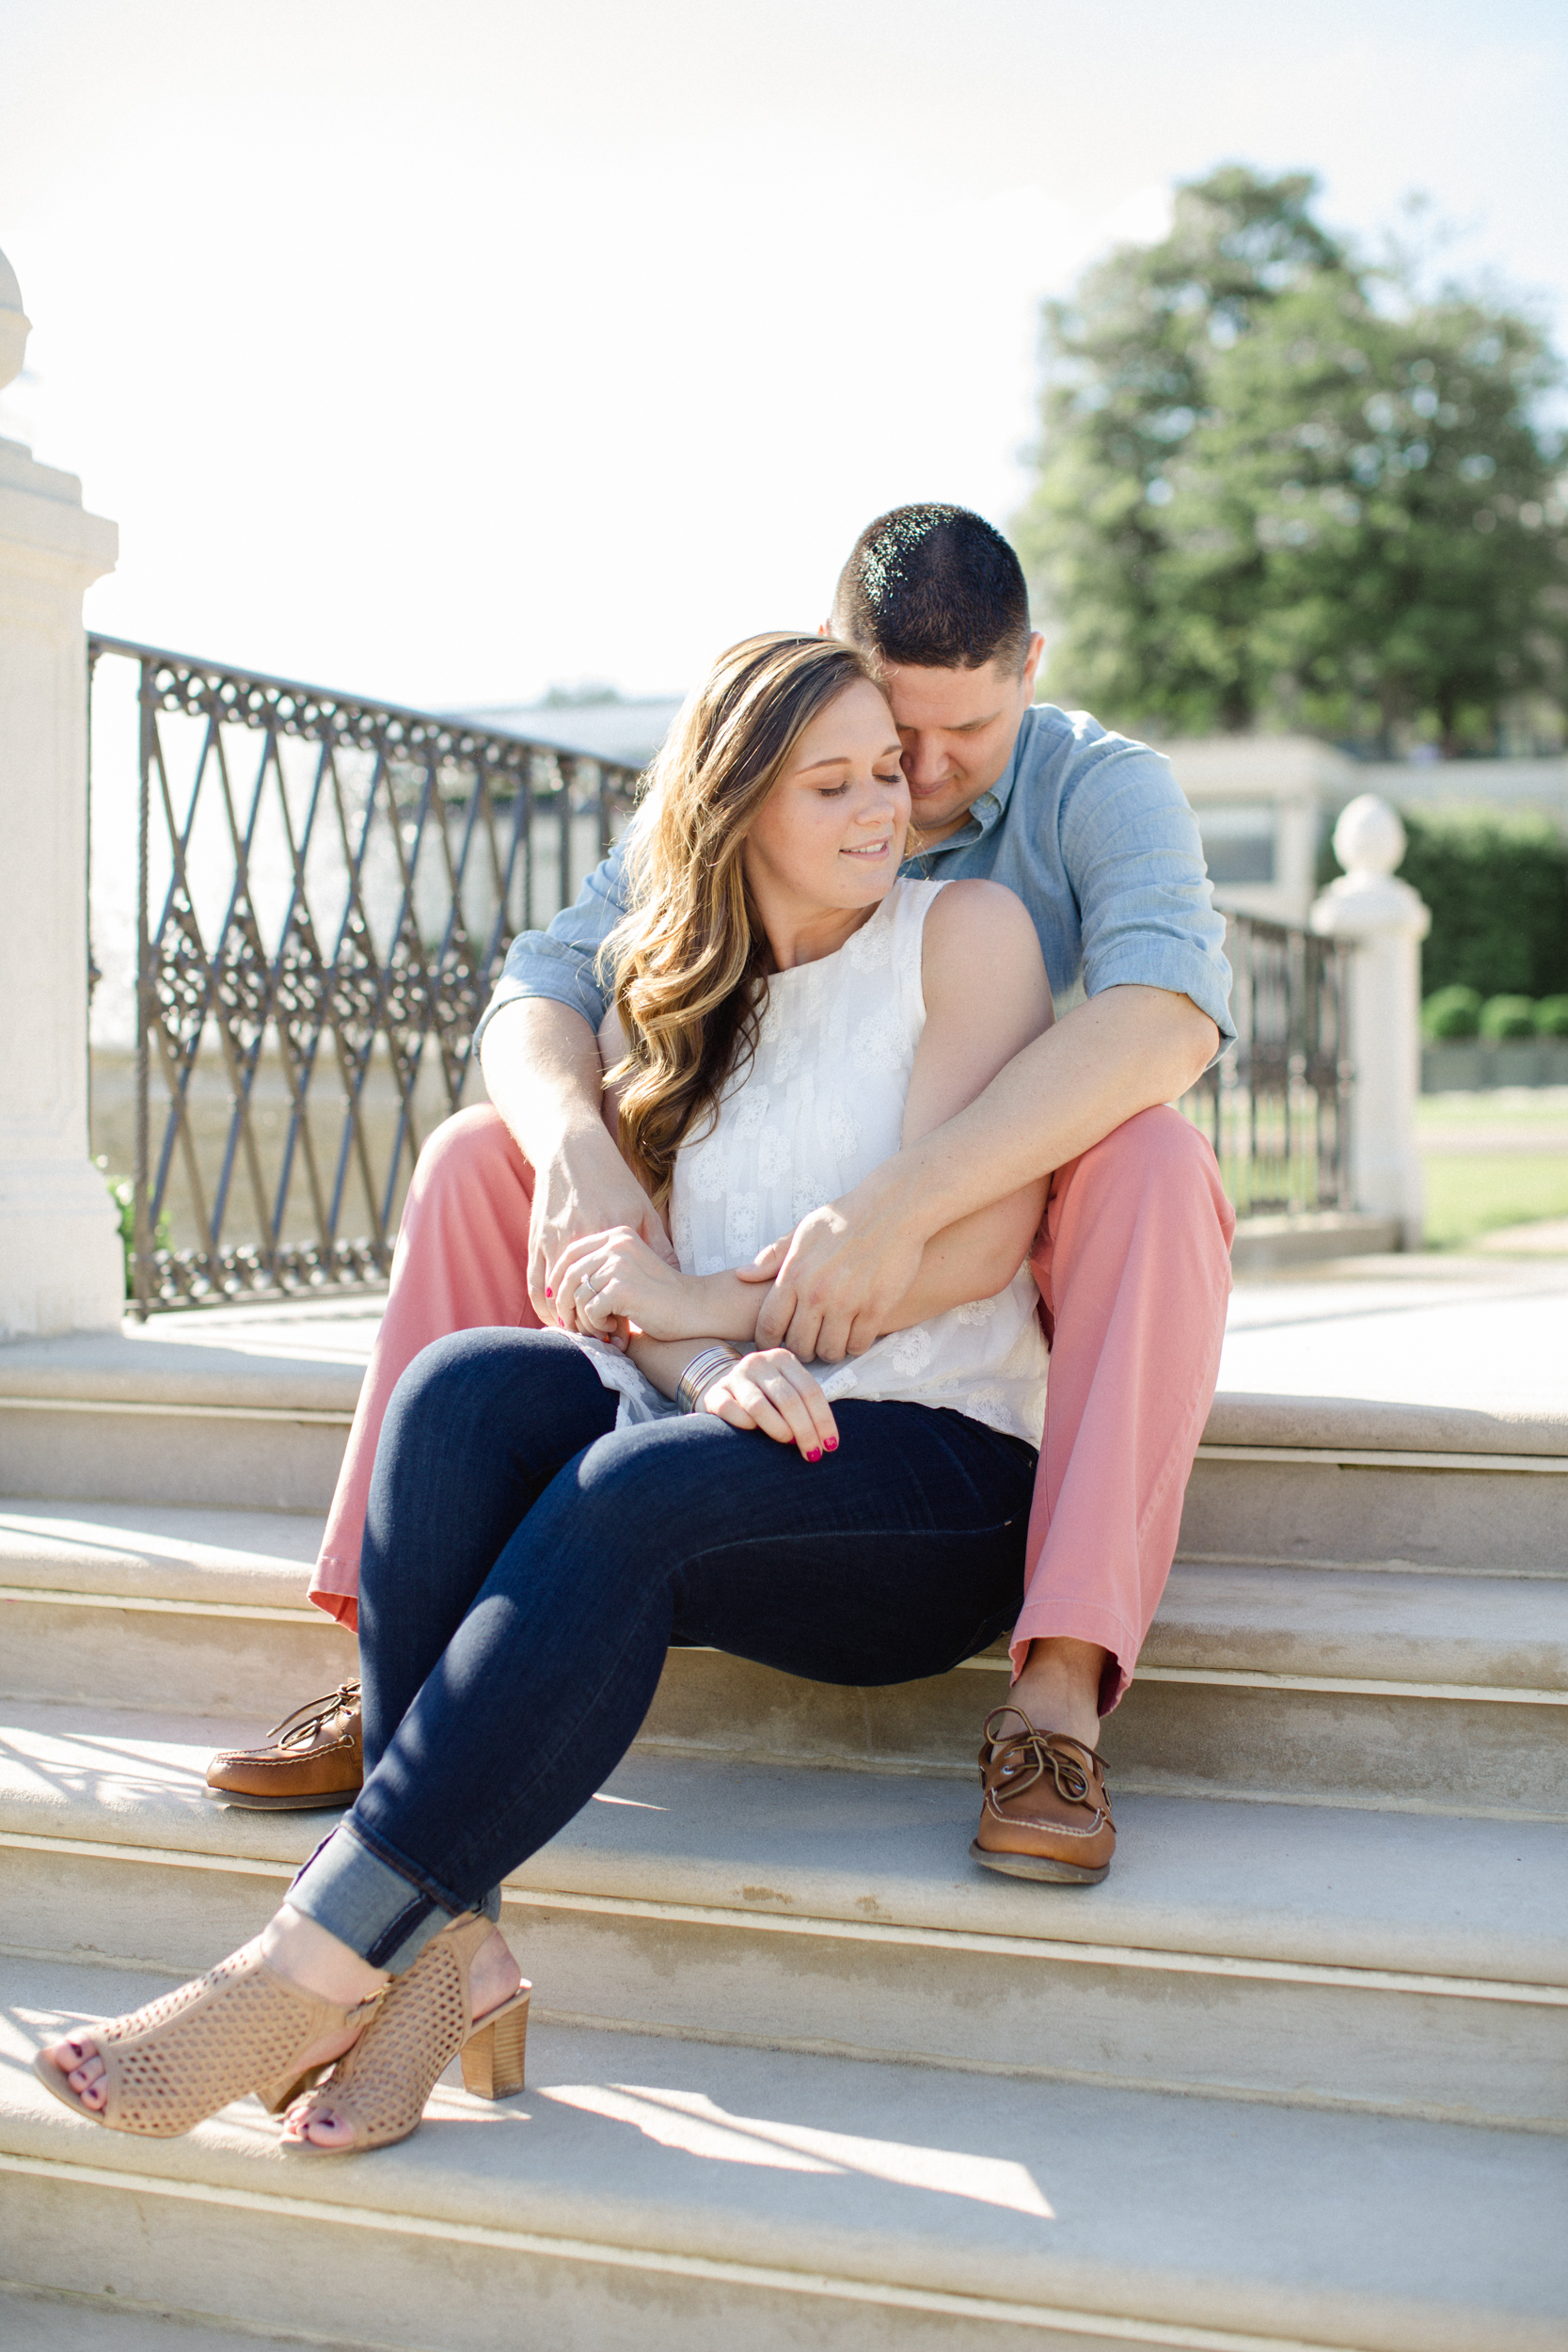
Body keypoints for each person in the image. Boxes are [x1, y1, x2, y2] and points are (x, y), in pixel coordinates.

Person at [39, 632, 1070, 2153]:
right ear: (733, 812)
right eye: (833, 782)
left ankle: (314, 1959)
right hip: (731, 1442)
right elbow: (615, 1293)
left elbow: (972, 1241)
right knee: (460, 1393)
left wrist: (706, 1313)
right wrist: (711, 1365)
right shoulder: (667, 991)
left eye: (889, 773)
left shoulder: (964, 933)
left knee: (626, 1486)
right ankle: (453, 1955)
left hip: (937, 1469)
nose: (883, 807)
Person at [207, 503, 1236, 1878]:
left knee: (1157, 1160)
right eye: (876, 748)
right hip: (748, 1250)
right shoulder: (753, 771)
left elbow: (1168, 1017)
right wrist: (577, 1150)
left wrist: (893, 1207)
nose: (915, 783)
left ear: (1031, 668)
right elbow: (541, 993)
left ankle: (1057, 1692)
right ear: (831, 656)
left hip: (999, 1224)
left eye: (959, 742)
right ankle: (407, 1661)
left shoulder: (1092, 789)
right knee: (477, 1157)